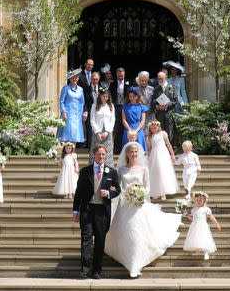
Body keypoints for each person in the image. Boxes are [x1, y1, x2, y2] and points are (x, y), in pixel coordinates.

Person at [105, 142, 181, 278]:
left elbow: (147, 187)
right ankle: (127, 258)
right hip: (125, 204)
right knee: (125, 231)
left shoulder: (143, 168)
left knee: (138, 231)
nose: (134, 154)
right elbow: (118, 186)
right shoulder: (121, 169)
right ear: (127, 154)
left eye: (136, 152)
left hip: (138, 203)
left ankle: (135, 264)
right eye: (131, 152)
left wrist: (139, 193)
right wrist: (125, 193)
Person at [72, 145, 121, 279]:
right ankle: (85, 269)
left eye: (103, 155)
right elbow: (78, 193)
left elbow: (118, 190)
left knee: (100, 240)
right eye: (99, 154)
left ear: (106, 155)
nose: (101, 157)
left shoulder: (112, 172)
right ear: (94, 154)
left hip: (102, 210)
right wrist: (75, 210)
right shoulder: (85, 171)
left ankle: (97, 270)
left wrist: (109, 193)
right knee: (86, 238)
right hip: (87, 209)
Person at [183, 191, 221, 260]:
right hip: (195, 225)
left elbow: (211, 217)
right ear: (195, 201)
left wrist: (217, 224)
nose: (199, 201)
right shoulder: (193, 209)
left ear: (204, 201)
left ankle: (206, 252)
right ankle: (198, 250)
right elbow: (192, 218)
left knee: (204, 238)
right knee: (196, 238)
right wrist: (186, 214)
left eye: (200, 200)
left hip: (203, 225)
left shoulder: (206, 209)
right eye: (197, 200)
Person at [147, 119, 179, 200]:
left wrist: (173, 155)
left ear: (158, 127)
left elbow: (168, 144)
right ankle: (156, 192)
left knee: (163, 172)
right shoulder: (150, 136)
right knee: (155, 173)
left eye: (155, 128)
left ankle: (163, 193)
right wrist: (147, 157)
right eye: (151, 129)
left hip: (163, 154)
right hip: (154, 155)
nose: (153, 130)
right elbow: (149, 149)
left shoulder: (163, 133)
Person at [56, 68, 87, 145]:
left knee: (75, 135)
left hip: (77, 115)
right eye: (72, 77)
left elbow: (82, 102)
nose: (74, 79)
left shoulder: (80, 89)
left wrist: (83, 112)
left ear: (78, 78)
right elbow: (61, 101)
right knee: (67, 134)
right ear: (69, 79)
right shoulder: (66, 88)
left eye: (76, 77)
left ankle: (73, 154)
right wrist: (63, 112)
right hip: (68, 114)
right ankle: (65, 154)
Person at [89, 88, 115, 167]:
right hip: (98, 133)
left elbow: (112, 119)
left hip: (107, 132)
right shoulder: (94, 105)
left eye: (107, 96)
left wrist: (108, 131)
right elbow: (92, 120)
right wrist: (97, 132)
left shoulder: (111, 106)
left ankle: (108, 171)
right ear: (100, 96)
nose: (105, 98)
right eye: (104, 96)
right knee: (97, 152)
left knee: (107, 154)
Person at [150, 71, 178, 146]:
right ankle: (161, 149)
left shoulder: (173, 87)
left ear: (166, 78)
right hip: (159, 114)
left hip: (169, 113)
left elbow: (175, 100)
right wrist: (157, 106)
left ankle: (169, 151)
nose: (160, 80)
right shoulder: (156, 89)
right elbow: (153, 101)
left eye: (161, 78)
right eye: (159, 79)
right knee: (160, 133)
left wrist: (166, 106)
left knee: (169, 132)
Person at [121, 86, 149, 153]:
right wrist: (130, 130)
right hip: (128, 129)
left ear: (137, 96)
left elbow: (143, 120)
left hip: (138, 129)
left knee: (139, 148)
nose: (131, 98)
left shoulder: (141, 106)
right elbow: (124, 120)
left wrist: (136, 131)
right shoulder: (125, 107)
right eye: (130, 96)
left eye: (133, 96)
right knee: (128, 150)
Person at [109, 67, 130, 154]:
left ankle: (125, 147)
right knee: (117, 127)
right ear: (116, 75)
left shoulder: (128, 83)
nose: (120, 77)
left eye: (122, 75)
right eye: (119, 76)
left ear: (124, 75)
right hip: (116, 106)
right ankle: (117, 148)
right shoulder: (112, 84)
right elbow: (110, 96)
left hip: (126, 106)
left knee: (126, 126)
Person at [84, 72, 101, 148]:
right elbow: (83, 102)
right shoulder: (86, 89)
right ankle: (91, 147)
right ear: (90, 79)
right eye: (93, 79)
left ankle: (99, 146)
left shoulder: (102, 88)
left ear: (99, 79)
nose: (95, 81)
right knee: (90, 130)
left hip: (100, 112)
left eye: (96, 79)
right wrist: (85, 111)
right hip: (90, 111)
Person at [136, 71, 155, 137]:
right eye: (142, 80)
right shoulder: (136, 90)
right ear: (139, 80)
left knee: (151, 133)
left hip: (150, 114)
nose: (144, 82)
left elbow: (154, 102)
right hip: (140, 115)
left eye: (145, 80)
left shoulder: (152, 89)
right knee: (141, 134)